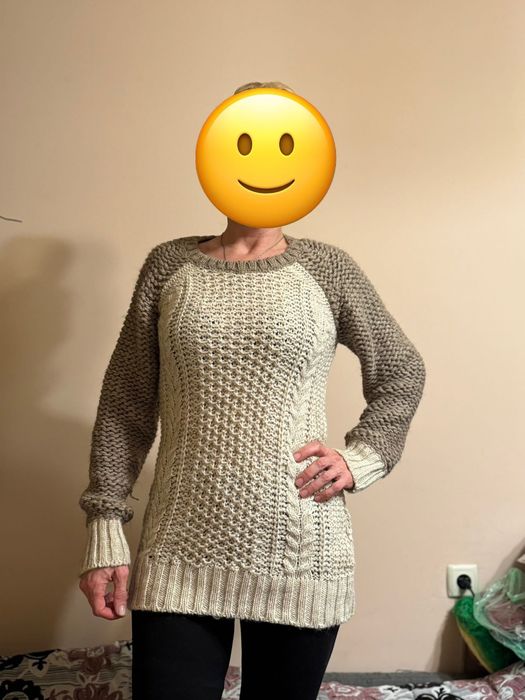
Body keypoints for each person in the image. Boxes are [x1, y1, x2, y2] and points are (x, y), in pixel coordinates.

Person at [78, 80, 426, 700]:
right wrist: (105, 525)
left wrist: (362, 457)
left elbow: (401, 369)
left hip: (301, 549)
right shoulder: (170, 265)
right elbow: (126, 403)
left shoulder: (328, 269)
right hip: (179, 548)